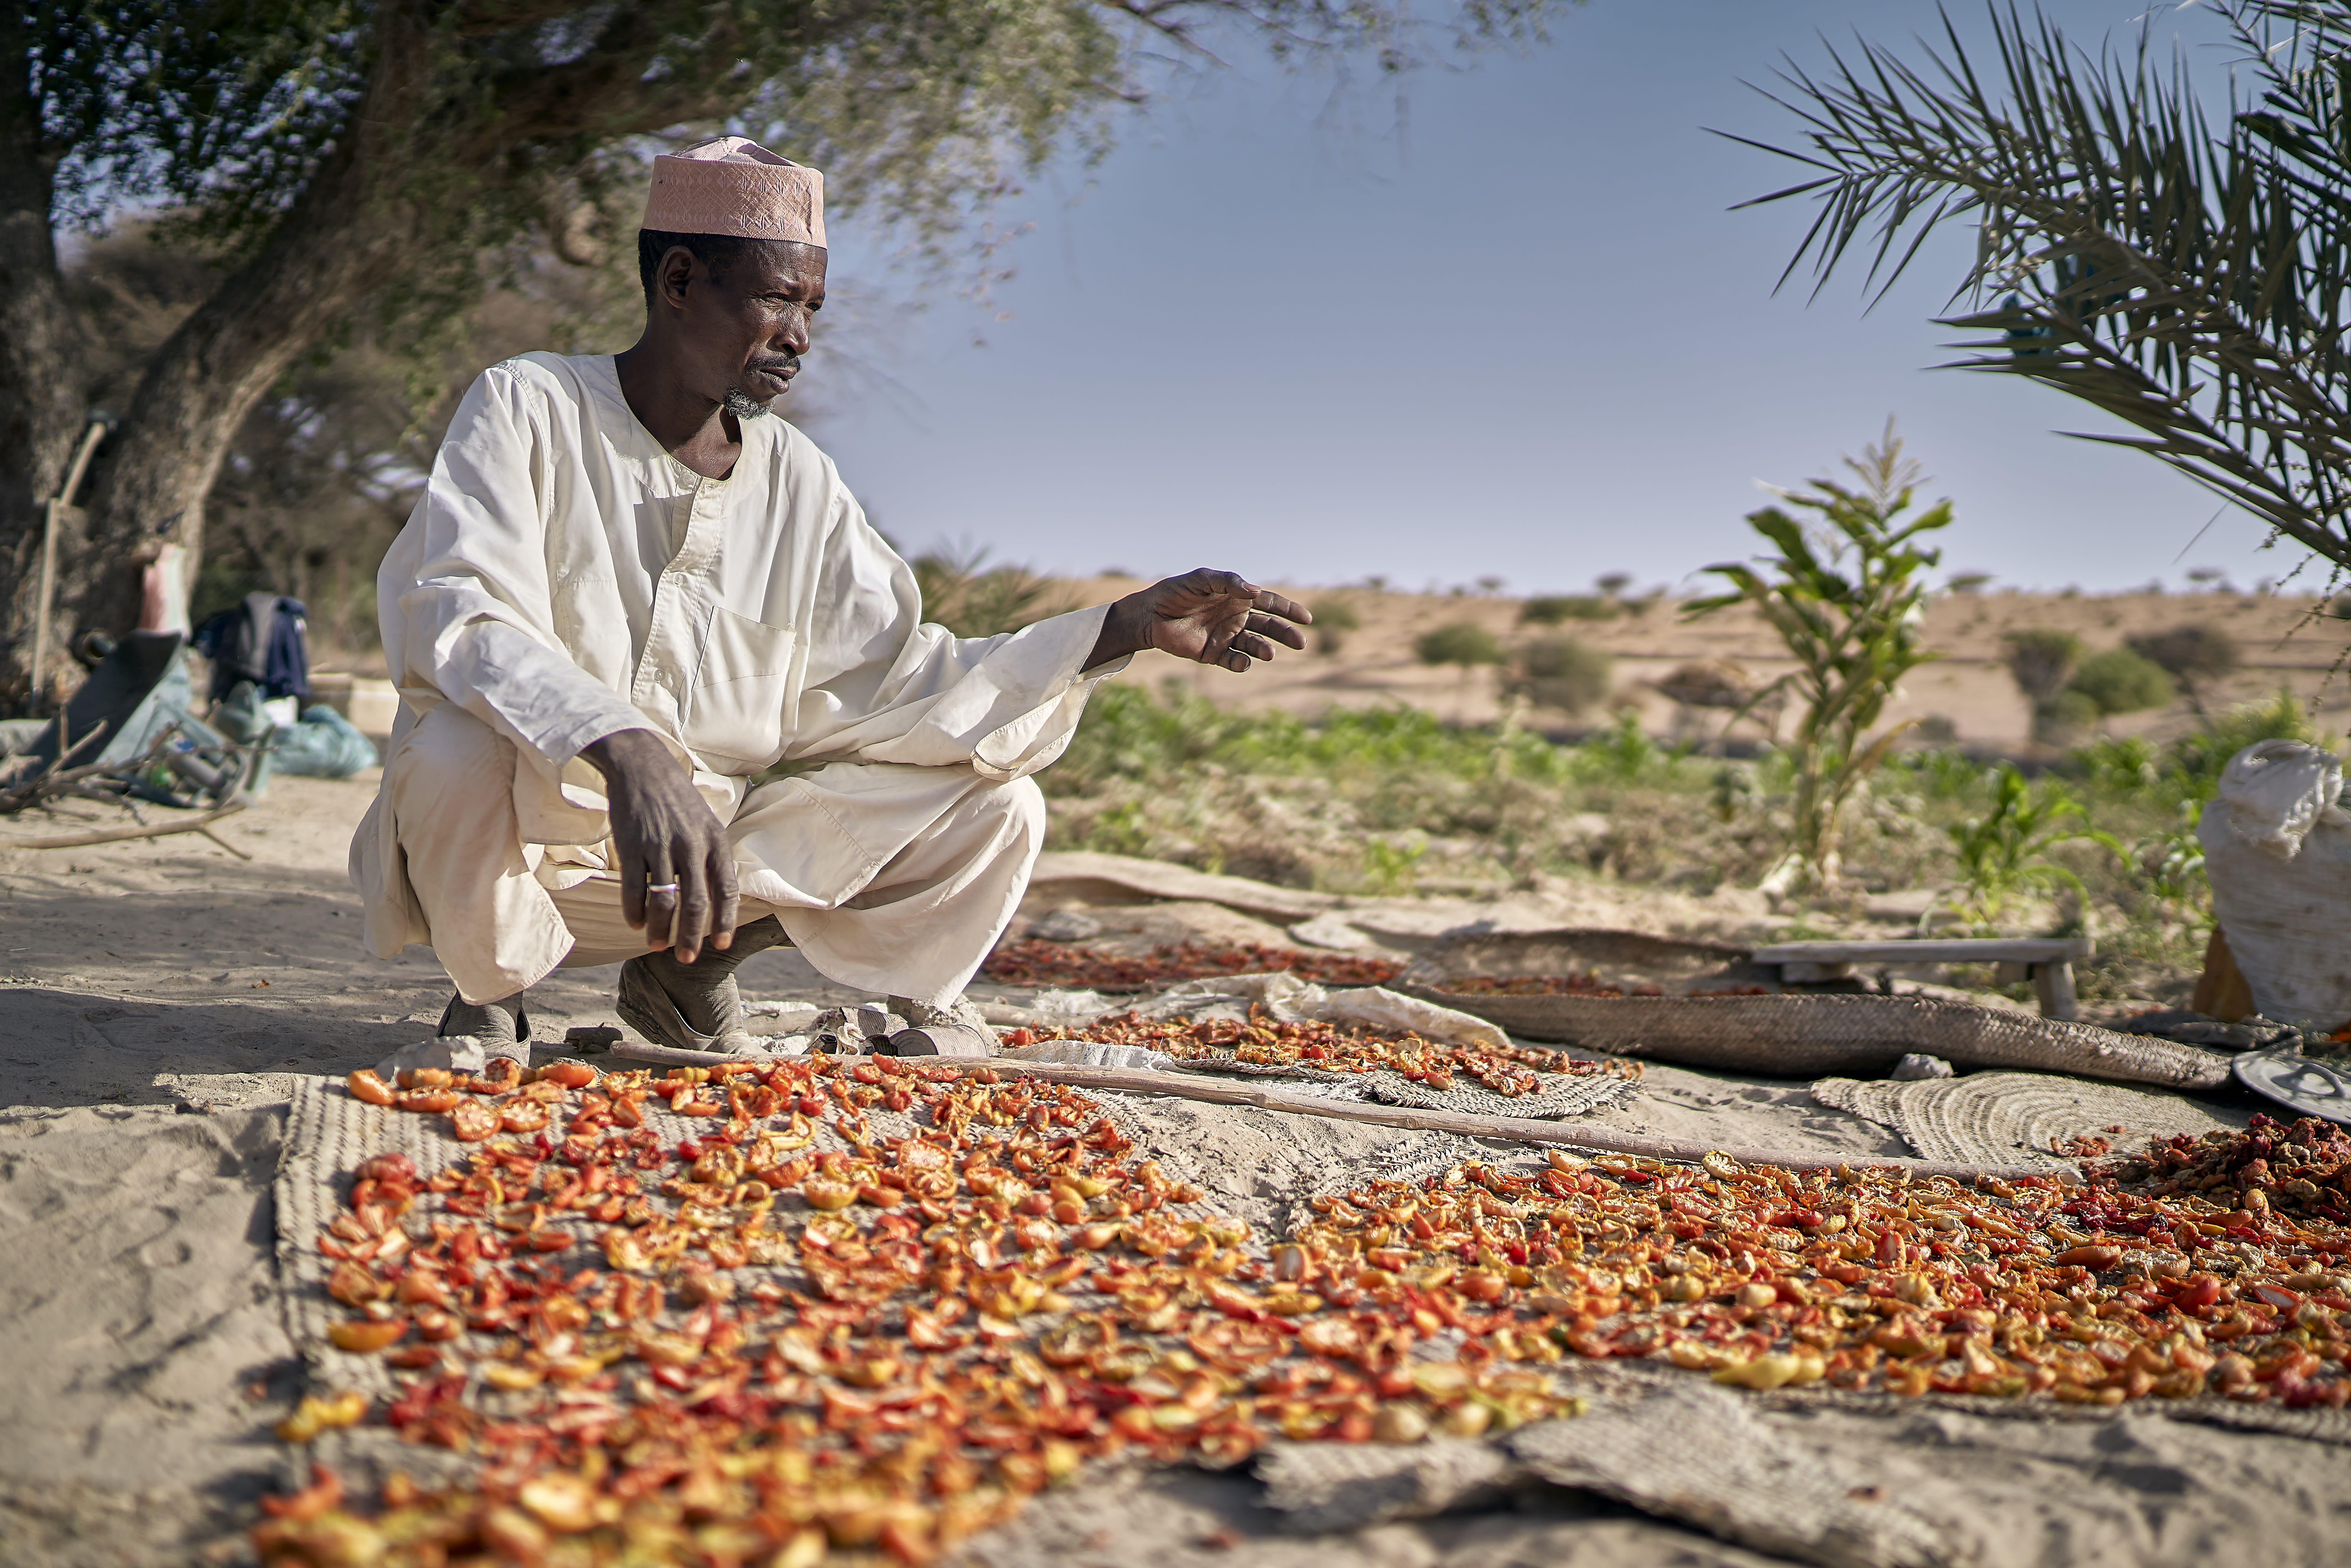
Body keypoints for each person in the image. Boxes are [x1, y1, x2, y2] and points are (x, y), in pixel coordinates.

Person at [351, 137, 1309, 1058]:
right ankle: (491, 997)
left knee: (996, 807)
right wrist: (624, 747)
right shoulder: (529, 405)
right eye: (777, 300)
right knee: (453, 744)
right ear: (680, 281)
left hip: (715, 870)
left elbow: (907, 679)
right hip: (536, 833)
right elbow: (461, 611)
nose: (800, 338)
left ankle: (691, 972)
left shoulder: (799, 479)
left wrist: (1120, 627)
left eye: (813, 307)